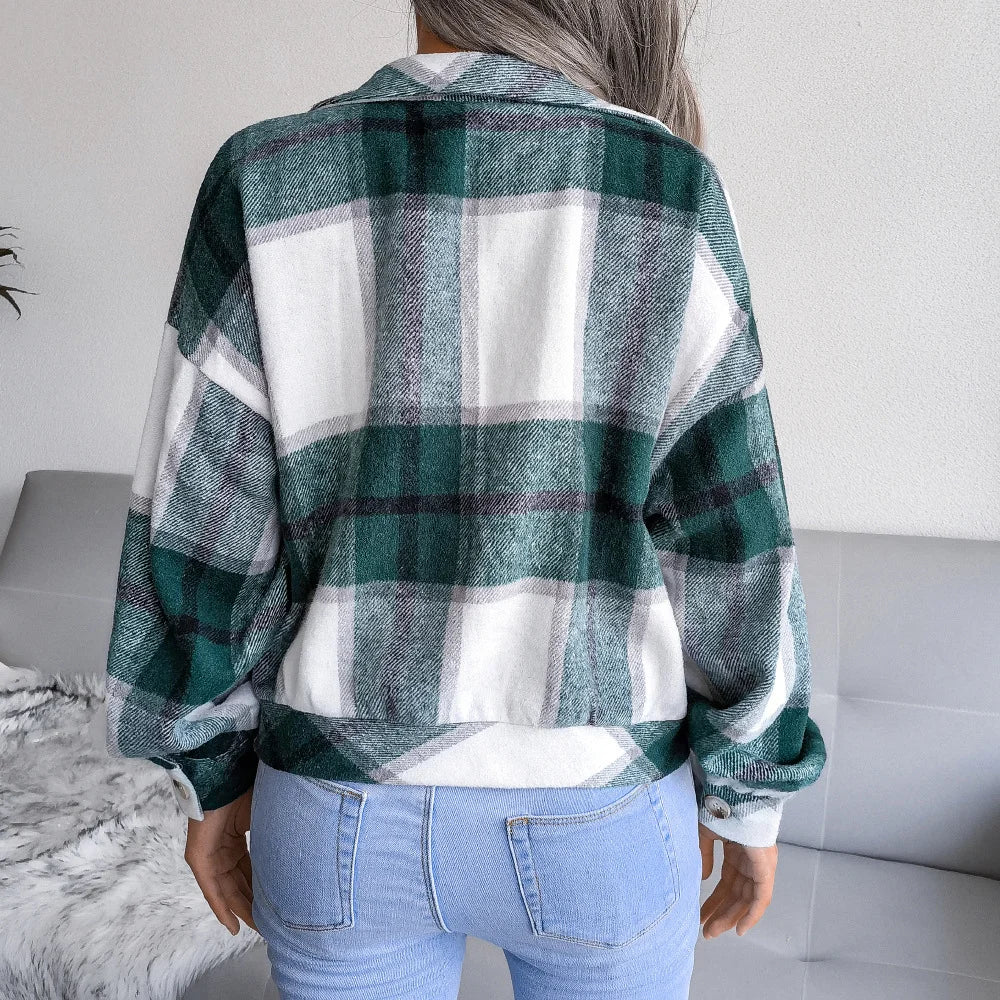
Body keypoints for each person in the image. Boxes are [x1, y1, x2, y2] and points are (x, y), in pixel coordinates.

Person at [104, 3, 827, 997]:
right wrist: (750, 793)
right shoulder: (666, 183)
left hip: (335, 811)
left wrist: (208, 776)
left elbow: (201, 531)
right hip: (594, 809)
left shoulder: (261, 176)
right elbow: (730, 539)